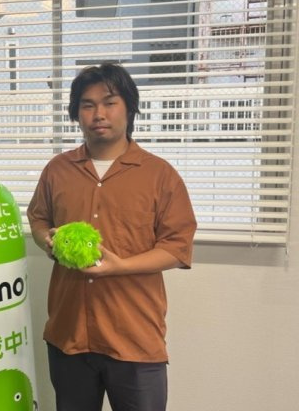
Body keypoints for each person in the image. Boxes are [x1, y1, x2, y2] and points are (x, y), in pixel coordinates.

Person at [27, 63, 196, 411]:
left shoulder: (159, 175)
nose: (98, 114)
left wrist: (121, 266)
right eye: (87, 105)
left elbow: (177, 247)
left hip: (134, 338)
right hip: (68, 335)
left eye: (109, 102)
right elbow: (39, 219)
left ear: (129, 108)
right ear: (76, 113)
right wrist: (48, 241)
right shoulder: (57, 170)